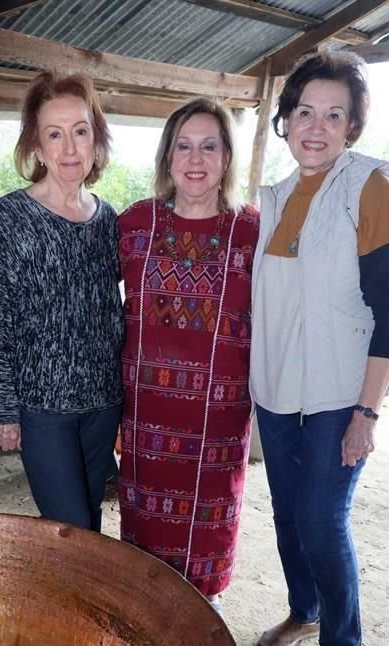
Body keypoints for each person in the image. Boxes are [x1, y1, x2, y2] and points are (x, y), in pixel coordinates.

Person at [250, 50, 389, 646]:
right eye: (303, 111)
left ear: (352, 126)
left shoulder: (370, 183)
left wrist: (366, 412)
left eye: (333, 114)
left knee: (321, 517)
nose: (314, 127)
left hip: (340, 393)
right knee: (289, 514)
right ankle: (304, 606)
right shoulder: (276, 196)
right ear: (285, 120)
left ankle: (341, 638)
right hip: (278, 388)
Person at [118, 98, 259, 615]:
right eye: (183, 145)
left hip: (218, 424)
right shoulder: (135, 225)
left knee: (209, 535)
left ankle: (205, 621)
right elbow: (83, 299)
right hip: (145, 417)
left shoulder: (252, 231)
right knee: (145, 550)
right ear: (167, 156)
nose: (195, 159)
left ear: (226, 158)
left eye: (209, 146)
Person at [0, 73, 124, 533]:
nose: (70, 148)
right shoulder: (10, 217)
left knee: (90, 523)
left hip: (103, 403)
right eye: (54, 135)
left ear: (96, 140)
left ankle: (81, 608)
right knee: (68, 530)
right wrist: (2, 407)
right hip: (43, 410)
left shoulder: (108, 219)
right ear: (37, 147)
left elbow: (109, 307)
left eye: (80, 131)